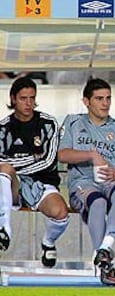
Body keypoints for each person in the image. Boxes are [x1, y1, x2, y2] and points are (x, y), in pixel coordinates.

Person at [58, 78, 115, 286]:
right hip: (82, 183)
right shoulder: (73, 122)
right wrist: (92, 155)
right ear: (86, 101)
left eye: (108, 98)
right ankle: (106, 262)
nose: (105, 103)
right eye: (99, 99)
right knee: (98, 202)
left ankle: (104, 249)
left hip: (110, 181)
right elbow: (62, 154)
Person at [0, 77, 69, 267]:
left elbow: (48, 161)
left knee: (61, 213)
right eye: (23, 98)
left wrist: (16, 165)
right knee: (4, 171)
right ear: (13, 99)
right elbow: (1, 163)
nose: (28, 103)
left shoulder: (48, 123)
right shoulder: (4, 127)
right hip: (11, 184)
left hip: (42, 182)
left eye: (32, 98)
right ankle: (3, 229)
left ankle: (48, 243)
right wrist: (30, 159)